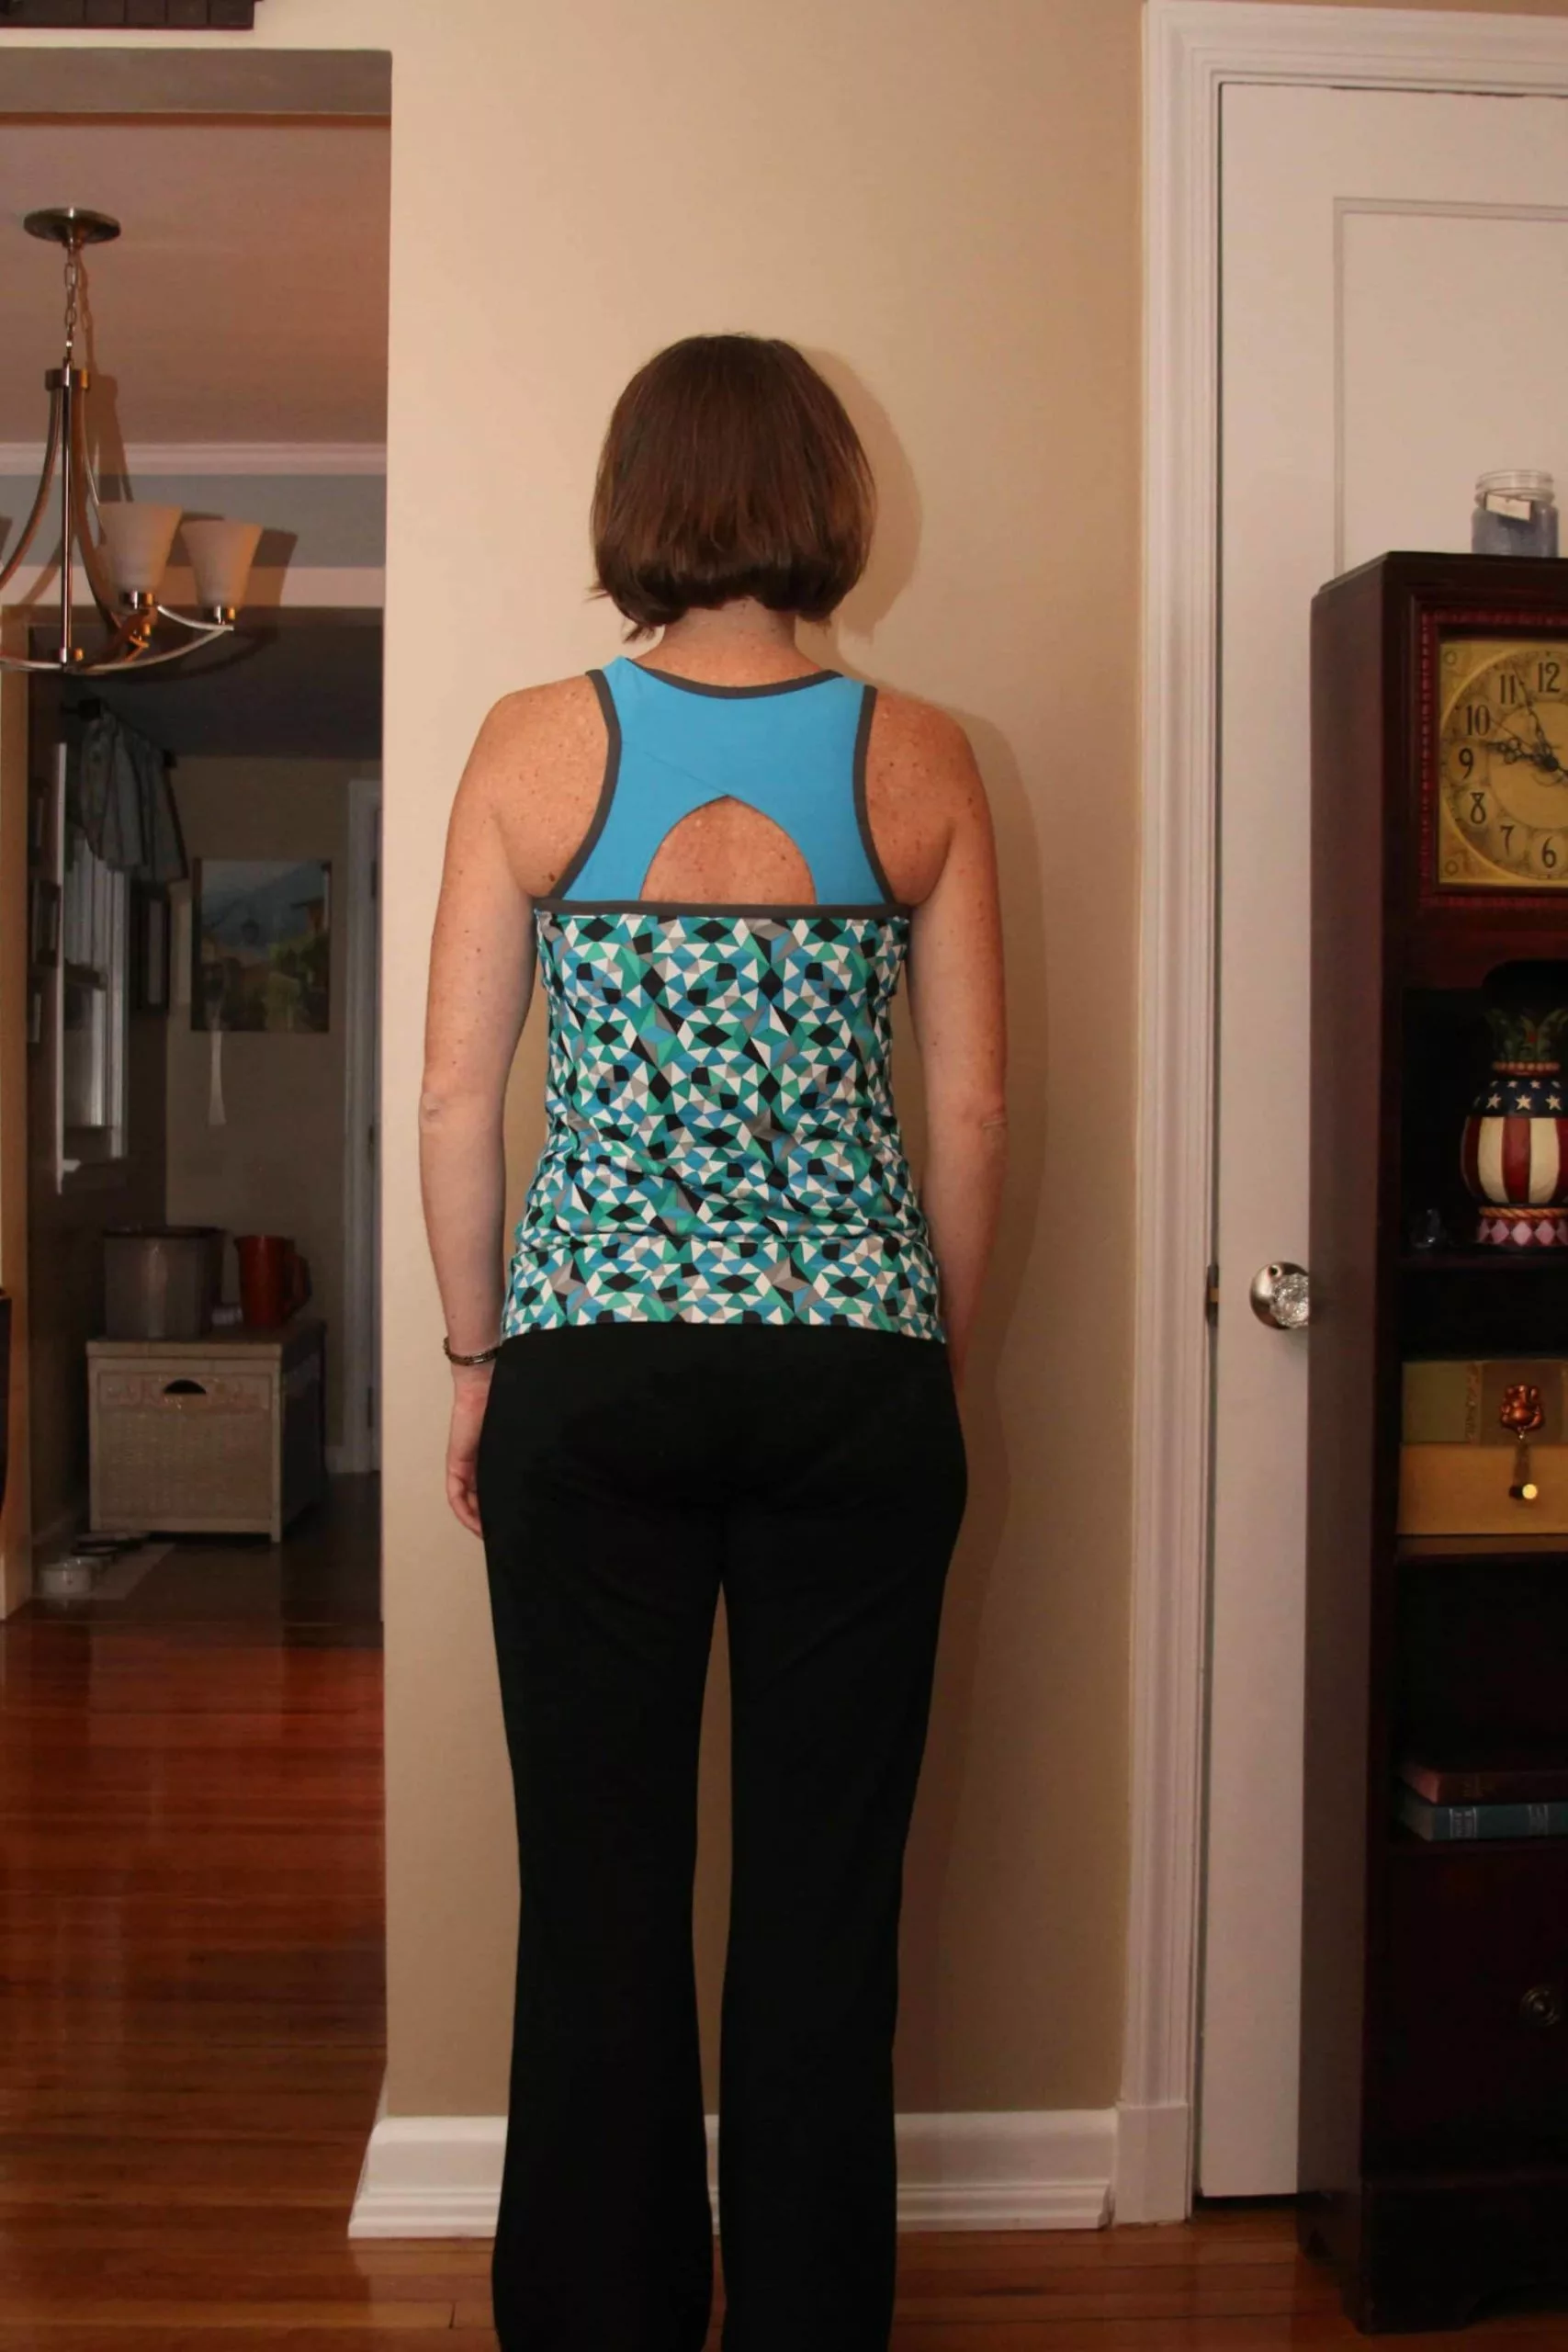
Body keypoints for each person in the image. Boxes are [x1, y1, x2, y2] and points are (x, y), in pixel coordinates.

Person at [419, 333, 1007, 2352]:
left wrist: (476, 1360)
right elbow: (972, 1112)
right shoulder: (918, 755)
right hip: (854, 1368)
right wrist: (924, 1354)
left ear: (637, 501)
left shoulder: (531, 744)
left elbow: (452, 1100)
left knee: (598, 1897)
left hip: (592, 1368)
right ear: (824, 498)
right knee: (825, 1907)